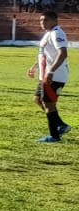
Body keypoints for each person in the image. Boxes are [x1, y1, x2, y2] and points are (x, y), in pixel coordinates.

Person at [30, 11, 70, 143]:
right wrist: (35, 67)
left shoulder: (57, 33)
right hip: (45, 75)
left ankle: (54, 136)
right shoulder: (48, 34)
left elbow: (62, 53)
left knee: (48, 104)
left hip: (54, 76)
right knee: (38, 100)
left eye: (46, 20)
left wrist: (51, 71)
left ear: (55, 20)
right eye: (41, 20)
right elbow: (45, 54)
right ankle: (62, 125)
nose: (42, 23)